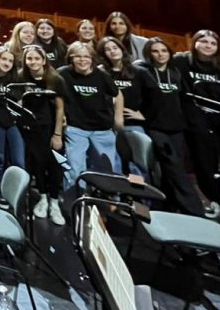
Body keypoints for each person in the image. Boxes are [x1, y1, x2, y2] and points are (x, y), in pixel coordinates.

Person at [173, 28, 220, 205]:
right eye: (204, 41)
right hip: (191, 120)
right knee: (201, 161)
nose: (208, 46)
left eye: (213, 43)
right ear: (195, 43)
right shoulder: (181, 61)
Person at [134, 38, 206, 216]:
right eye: (156, 51)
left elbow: (184, 100)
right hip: (156, 127)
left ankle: (168, 207)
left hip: (177, 128)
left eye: (164, 51)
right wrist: (140, 115)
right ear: (149, 54)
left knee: (171, 170)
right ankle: (195, 211)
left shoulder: (175, 73)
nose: (160, 55)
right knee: (174, 167)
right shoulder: (143, 72)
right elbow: (136, 96)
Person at [58, 41, 124, 192]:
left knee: (107, 169)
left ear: (92, 59)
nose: (82, 60)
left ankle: (110, 200)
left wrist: (119, 117)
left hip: (102, 129)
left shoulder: (102, 75)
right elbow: (55, 96)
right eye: (78, 56)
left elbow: (117, 93)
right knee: (74, 169)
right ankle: (76, 200)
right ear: (71, 58)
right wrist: (61, 116)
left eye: (86, 57)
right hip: (75, 128)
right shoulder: (62, 74)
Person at [19, 46, 67, 225]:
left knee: (54, 165)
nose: (33, 62)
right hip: (31, 129)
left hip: (50, 129)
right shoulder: (21, 77)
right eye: (29, 59)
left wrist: (57, 134)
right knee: (37, 165)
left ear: (44, 60)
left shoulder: (55, 79)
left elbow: (60, 109)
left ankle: (54, 202)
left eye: (36, 58)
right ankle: (43, 198)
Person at [97, 36, 146, 176]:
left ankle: (140, 189)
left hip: (133, 124)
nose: (112, 51)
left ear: (122, 49)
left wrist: (143, 114)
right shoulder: (100, 72)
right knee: (114, 162)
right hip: (109, 125)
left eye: (115, 47)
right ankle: (118, 189)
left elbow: (153, 97)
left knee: (138, 162)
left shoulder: (138, 71)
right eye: (107, 49)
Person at [0, 45, 25, 192]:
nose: (7, 63)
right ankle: (0, 192)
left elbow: (20, 102)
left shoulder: (16, 79)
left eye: (10, 61)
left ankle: (19, 192)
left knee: (18, 160)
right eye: (4, 59)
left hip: (13, 124)